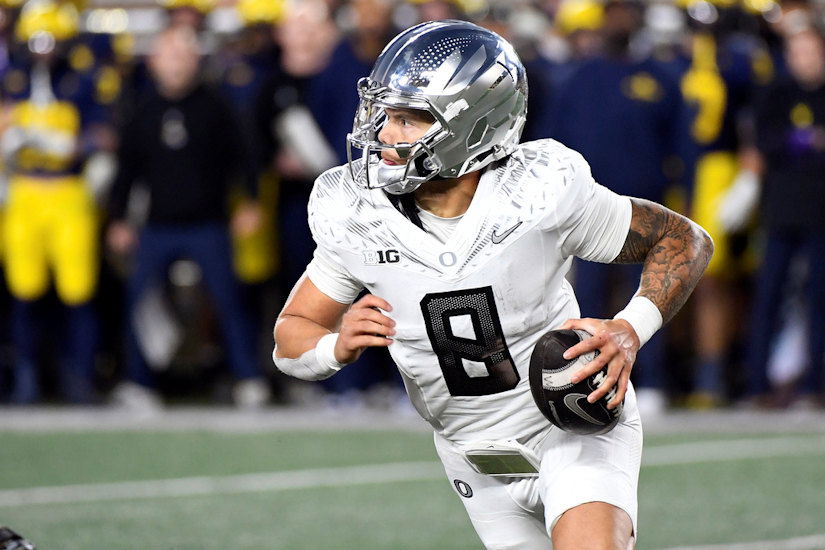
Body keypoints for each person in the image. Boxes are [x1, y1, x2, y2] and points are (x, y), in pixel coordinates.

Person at [273, 20, 712, 549]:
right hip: (472, 456)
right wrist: (333, 347)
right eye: (385, 115)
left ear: (475, 126)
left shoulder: (538, 191)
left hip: (570, 423)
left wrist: (630, 328)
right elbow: (290, 336)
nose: (386, 134)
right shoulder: (354, 210)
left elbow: (683, 240)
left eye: (410, 120)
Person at [106, 26, 268, 409]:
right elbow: (126, 170)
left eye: (183, 56)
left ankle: (247, 378)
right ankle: (139, 382)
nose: (176, 65)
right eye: (169, 56)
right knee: (140, 301)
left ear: (196, 61)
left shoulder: (216, 106)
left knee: (228, 300)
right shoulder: (142, 110)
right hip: (158, 225)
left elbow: (244, 159)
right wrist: (118, 219)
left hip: (209, 224)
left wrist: (250, 202)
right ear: (154, 62)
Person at [741, 23, 825, 408]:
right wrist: (806, 140)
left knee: (818, 300)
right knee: (768, 297)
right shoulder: (775, 92)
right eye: (798, 53)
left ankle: (814, 386)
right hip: (780, 211)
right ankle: (758, 385)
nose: (804, 61)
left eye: (810, 52)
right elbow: (764, 144)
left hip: (819, 212)